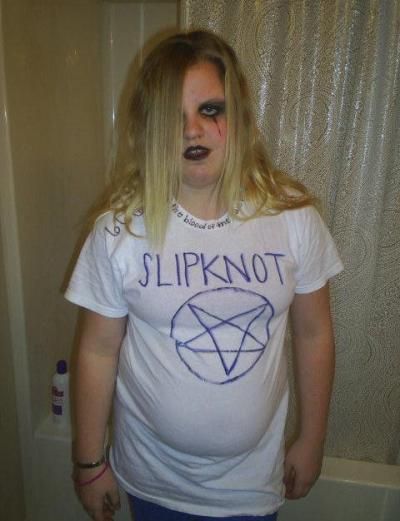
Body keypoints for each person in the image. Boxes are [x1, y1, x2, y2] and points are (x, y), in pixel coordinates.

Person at [65, 30, 343, 521]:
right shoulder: (119, 231)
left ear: (239, 117)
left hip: (251, 488)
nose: (192, 130)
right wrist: (89, 464)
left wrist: (312, 438)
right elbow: (97, 351)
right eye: (173, 117)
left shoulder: (294, 218)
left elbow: (314, 333)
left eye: (210, 109)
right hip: (152, 482)